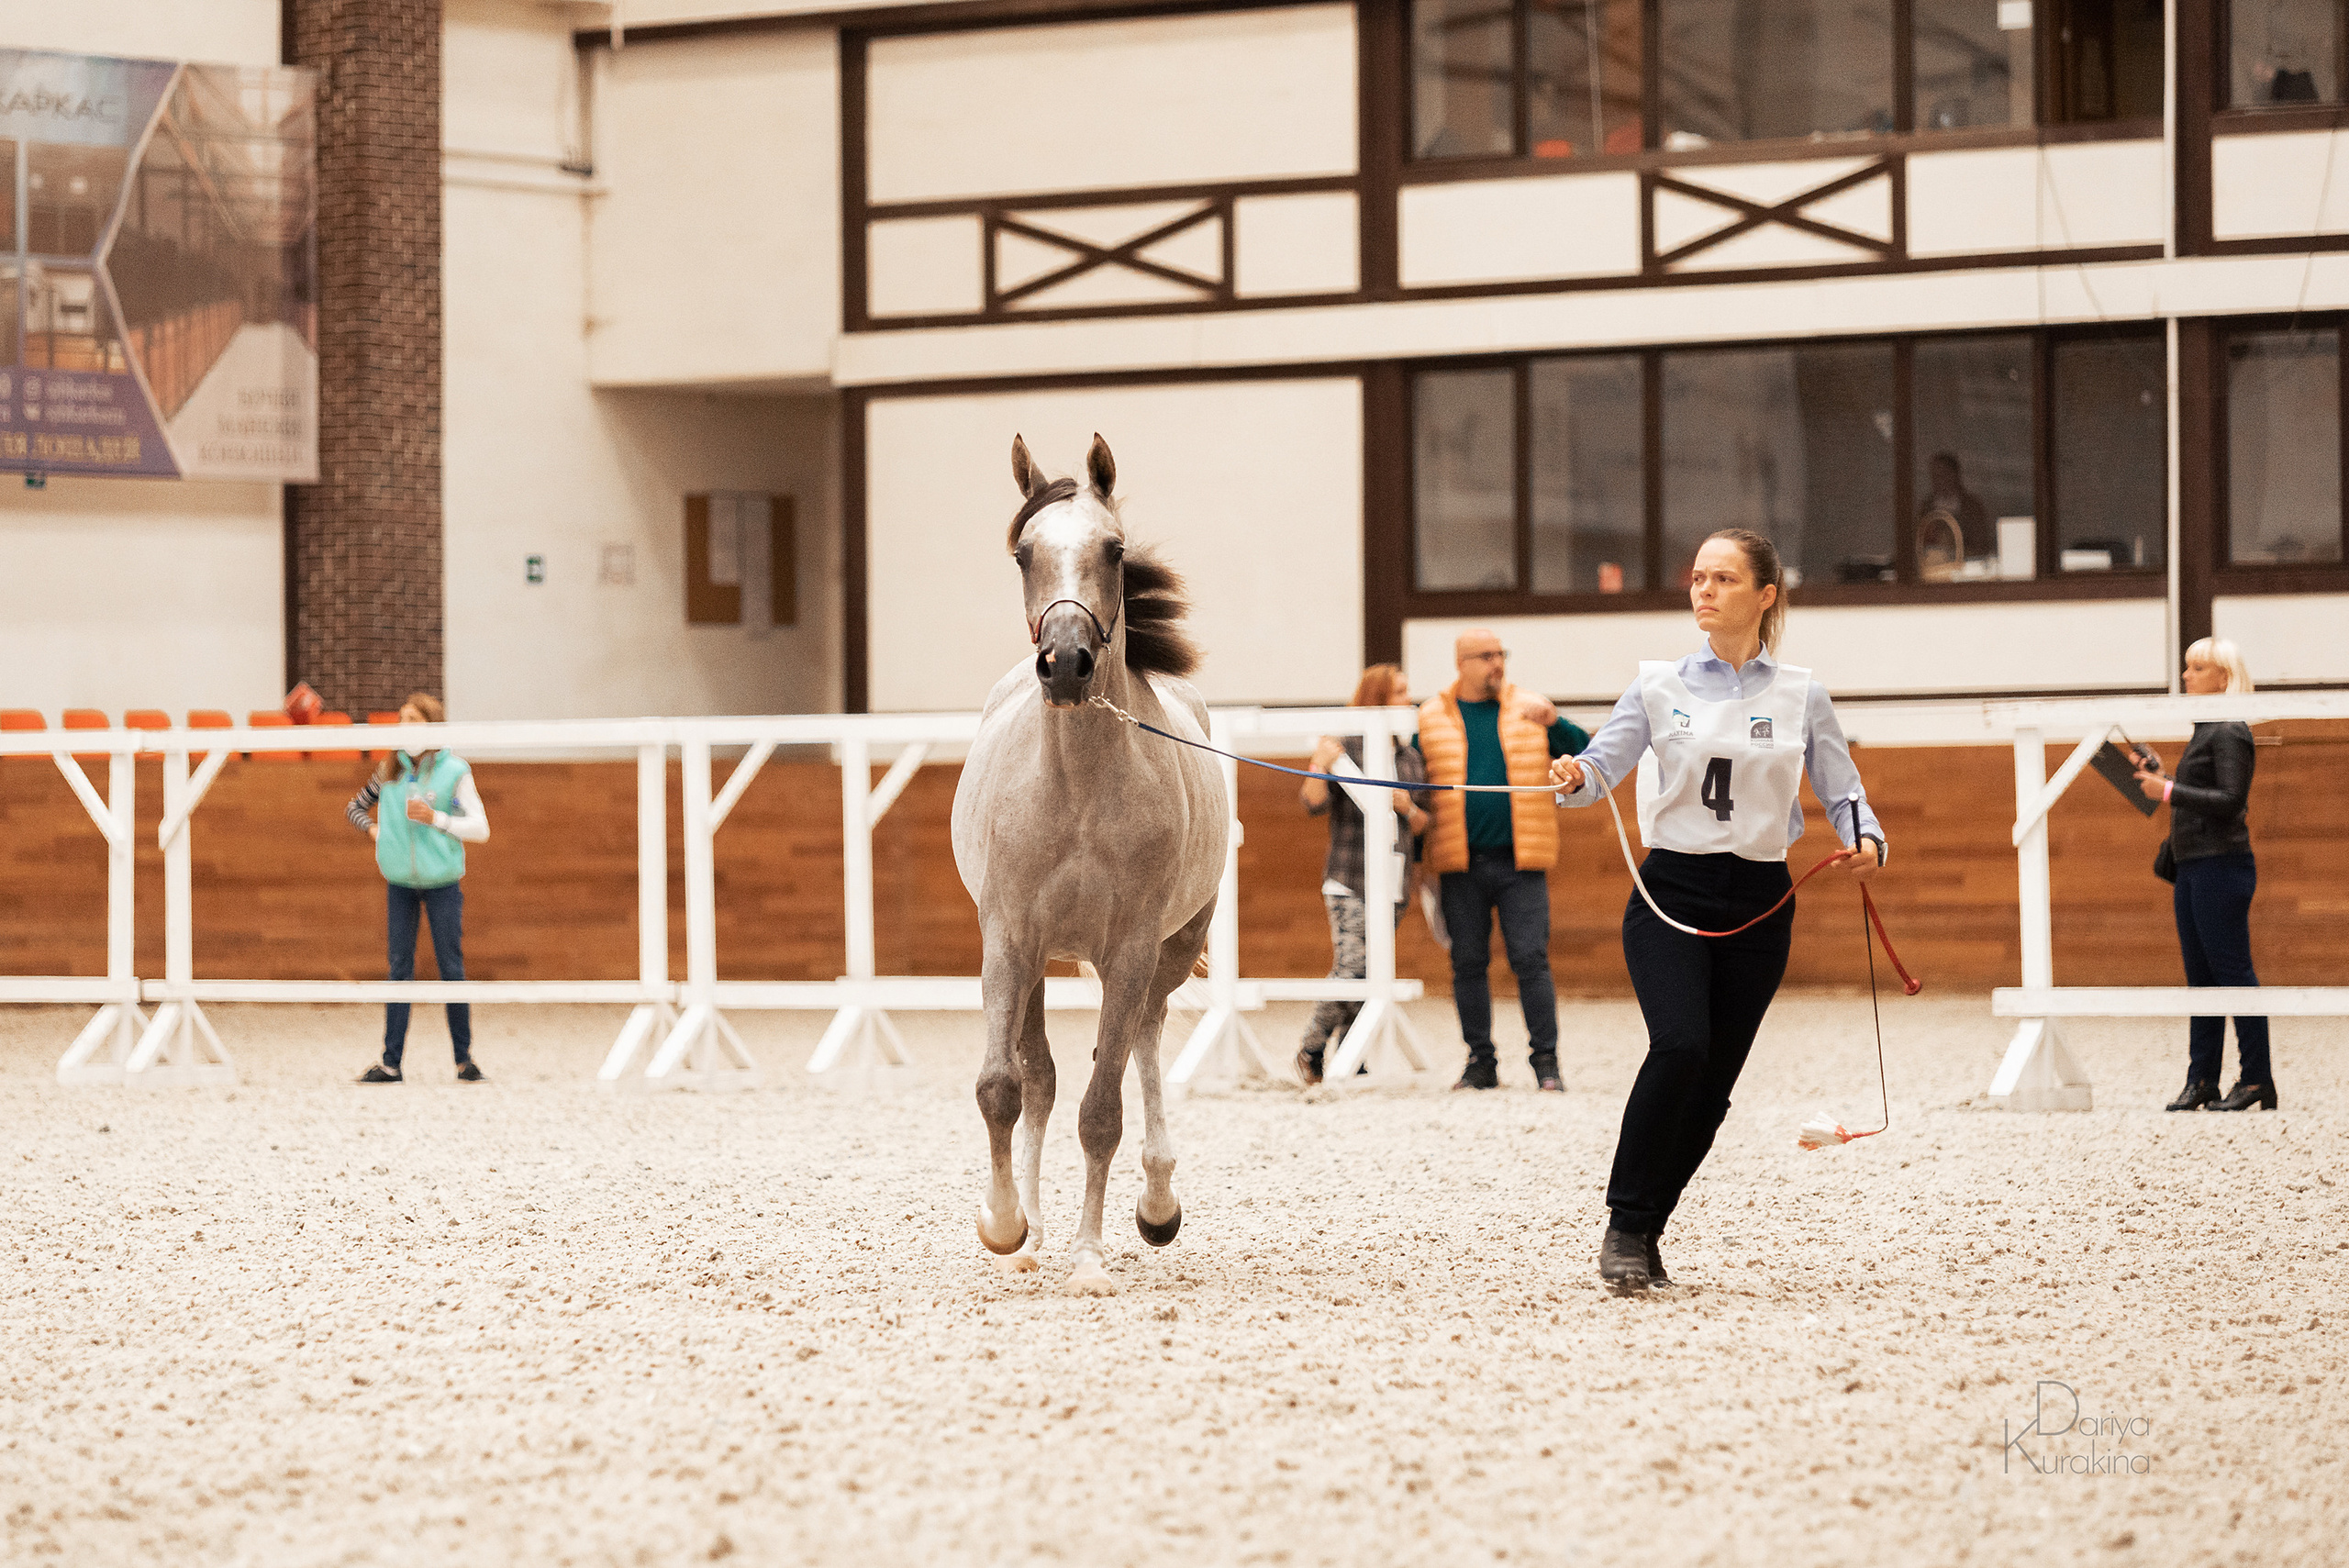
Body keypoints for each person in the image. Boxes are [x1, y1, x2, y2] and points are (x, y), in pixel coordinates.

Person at [1550, 530, 1887, 1292]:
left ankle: (1648, 1230)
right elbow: (1601, 767)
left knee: (1713, 1086)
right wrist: (1573, 776)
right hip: (1670, 892)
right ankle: (1624, 1221)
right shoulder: (1656, 685)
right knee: (1680, 1047)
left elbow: (1842, 788)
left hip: (1763, 898)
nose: (1702, 590)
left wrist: (1868, 837)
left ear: (1764, 594)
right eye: (1698, 578)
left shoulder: (1802, 692)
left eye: (1723, 578)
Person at [1418, 629, 1589, 1093]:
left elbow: (1585, 752)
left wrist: (1555, 722)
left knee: (1531, 960)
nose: (1497, 663)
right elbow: (1412, 773)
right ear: (1462, 663)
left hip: (1521, 862)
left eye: (1500, 654)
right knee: (1467, 963)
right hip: (1459, 862)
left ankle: (1546, 1064)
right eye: (1486, 656)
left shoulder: (1531, 707)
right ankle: (1480, 1063)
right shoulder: (1431, 716)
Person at [2132, 638, 2272, 1112]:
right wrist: (2164, 777)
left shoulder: (2229, 730)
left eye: (2196, 668)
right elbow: (2205, 793)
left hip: (2221, 865)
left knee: (2233, 973)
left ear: (2223, 678)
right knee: (2202, 977)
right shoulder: (2209, 729)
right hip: (2195, 865)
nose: (2186, 676)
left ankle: (2255, 1077)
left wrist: (2168, 789)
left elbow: (2231, 799)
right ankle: (2203, 1078)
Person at [343, 693, 492, 1084]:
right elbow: (354, 808)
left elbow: (481, 828)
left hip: (442, 882)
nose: (406, 726)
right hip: (400, 883)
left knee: (451, 968)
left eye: (414, 719)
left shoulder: (454, 770)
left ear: (433, 724)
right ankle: (391, 1062)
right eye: (402, 719)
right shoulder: (388, 770)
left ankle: (464, 1060)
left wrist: (438, 818)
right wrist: (375, 830)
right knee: (398, 970)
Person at [1297, 663, 1432, 1085]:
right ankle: (1312, 1047)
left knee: (1372, 970)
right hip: (1349, 877)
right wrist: (1321, 763)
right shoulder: (1347, 747)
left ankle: (1350, 1056)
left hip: (1393, 880)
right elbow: (1312, 801)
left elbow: (1425, 821)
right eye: (1399, 693)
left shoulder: (1411, 758)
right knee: (1352, 968)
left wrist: (1405, 806)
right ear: (1378, 698)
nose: (1408, 700)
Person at [1920, 451, 1993, 560]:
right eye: (1934, 476)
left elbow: (1981, 544)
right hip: (1932, 569)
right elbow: (1917, 541)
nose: (1937, 481)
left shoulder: (1972, 507)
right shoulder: (1926, 508)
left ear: (1954, 475)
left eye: (1942, 475)